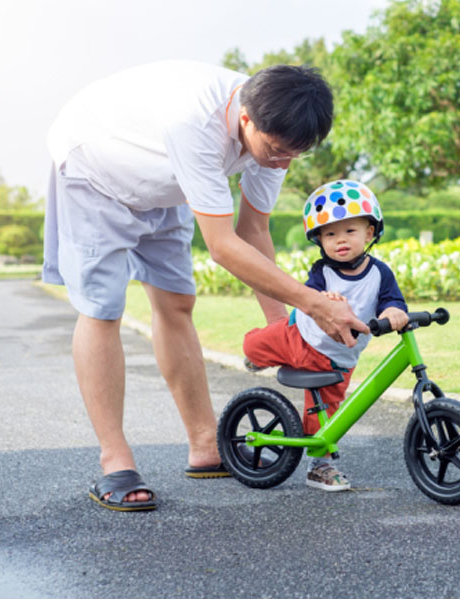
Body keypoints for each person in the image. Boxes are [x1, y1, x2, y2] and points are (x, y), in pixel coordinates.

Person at [43, 60, 368, 512]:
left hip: (165, 181)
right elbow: (222, 245)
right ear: (246, 119)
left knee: (177, 302)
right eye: (276, 151)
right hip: (97, 167)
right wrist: (313, 305)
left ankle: (204, 446)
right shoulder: (193, 124)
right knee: (103, 308)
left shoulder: (278, 132)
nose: (283, 162)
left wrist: (285, 332)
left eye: (295, 154)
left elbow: (253, 233)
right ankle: (115, 461)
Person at [242, 180, 409, 491]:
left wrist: (392, 315)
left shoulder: (380, 273)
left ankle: (320, 466)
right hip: (301, 337)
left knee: (327, 418)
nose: (340, 240)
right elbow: (310, 295)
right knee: (258, 343)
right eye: (330, 234)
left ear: (370, 233)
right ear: (319, 240)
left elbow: (392, 302)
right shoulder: (323, 271)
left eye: (350, 231)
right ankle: (255, 355)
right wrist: (324, 301)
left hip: (338, 358)